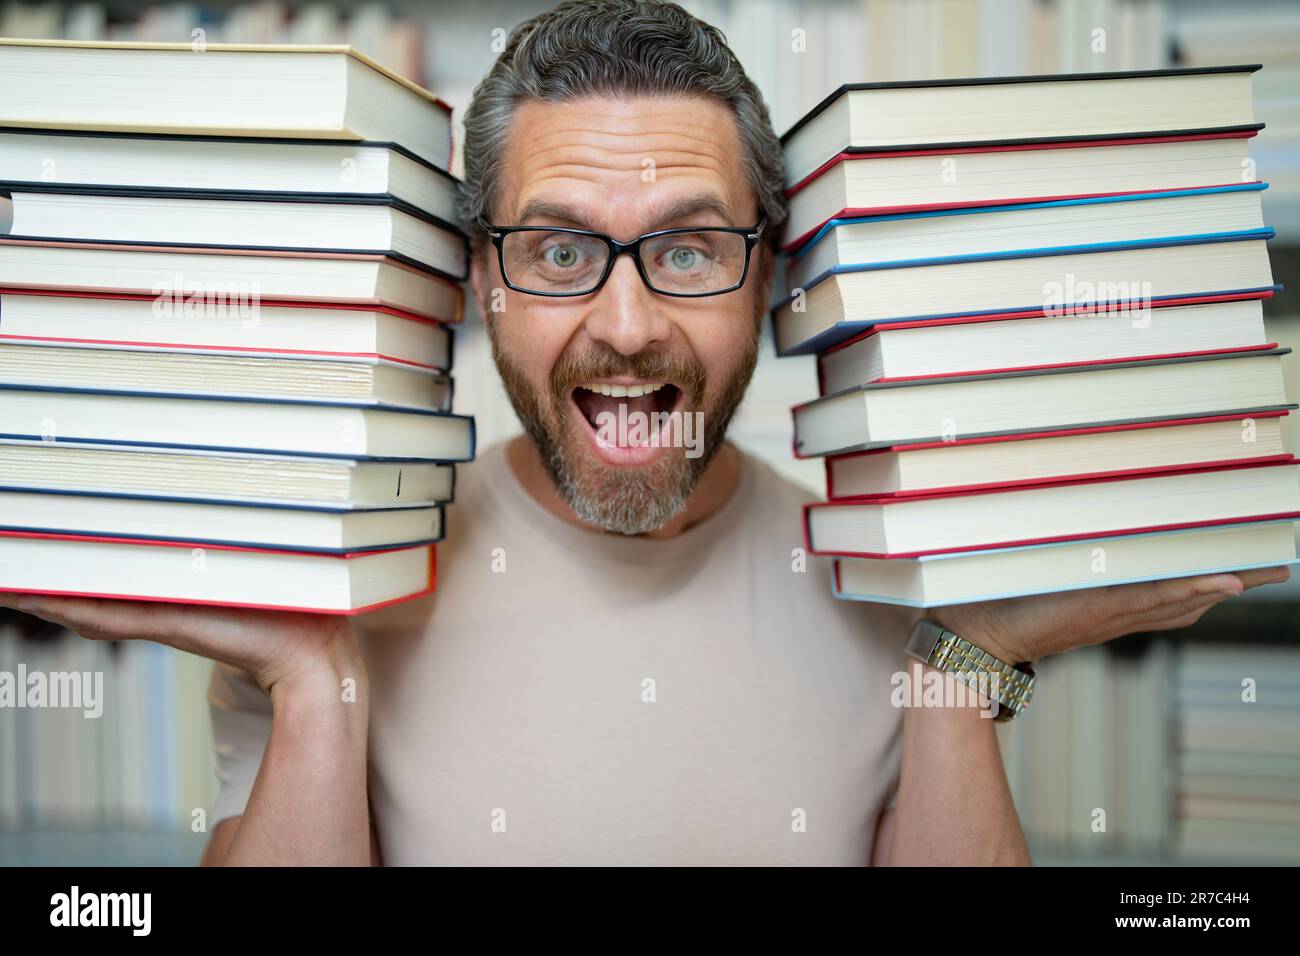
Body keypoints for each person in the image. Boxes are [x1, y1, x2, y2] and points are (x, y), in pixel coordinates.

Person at [0, 0, 1286, 866]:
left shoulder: (900, 575)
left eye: (686, 247)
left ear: (771, 278)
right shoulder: (335, 574)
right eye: (558, 249)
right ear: (475, 282)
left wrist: (958, 676)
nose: (624, 324)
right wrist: (317, 690)